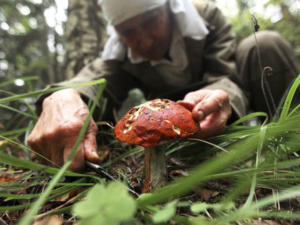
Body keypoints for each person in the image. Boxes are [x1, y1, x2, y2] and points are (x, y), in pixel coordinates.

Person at [28, 0, 300, 171]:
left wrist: (219, 96)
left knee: (265, 44)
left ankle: (289, 151)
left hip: (228, 107)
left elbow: (227, 74)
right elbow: (96, 77)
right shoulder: (121, 51)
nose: (144, 41)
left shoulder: (207, 17)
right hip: (173, 130)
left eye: (150, 22)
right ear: (118, 33)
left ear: (170, 9)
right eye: (129, 32)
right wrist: (65, 95)